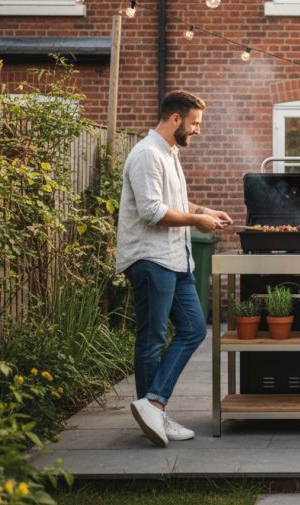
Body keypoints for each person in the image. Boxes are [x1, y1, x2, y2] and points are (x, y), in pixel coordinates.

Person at [116, 90, 233, 446]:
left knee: (195, 328)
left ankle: (153, 405)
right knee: (151, 339)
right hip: (150, 259)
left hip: (176, 259)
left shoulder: (169, 154)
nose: (198, 130)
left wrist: (204, 211)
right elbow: (152, 211)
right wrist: (197, 223)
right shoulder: (147, 155)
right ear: (176, 119)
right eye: (195, 123)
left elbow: (175, 203)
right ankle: (154, 415)